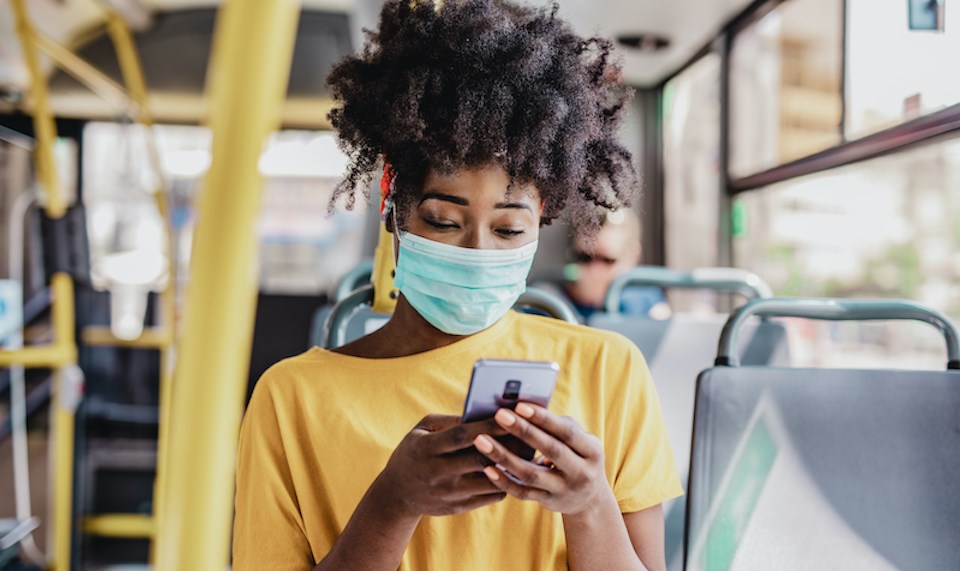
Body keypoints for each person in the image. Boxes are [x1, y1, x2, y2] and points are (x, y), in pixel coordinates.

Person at [233, 2, 682, 570]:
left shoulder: (608, 371)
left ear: (540, 218)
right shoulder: (292, 398)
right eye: (444, 221)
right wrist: (392, 504)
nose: (477, 252)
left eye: (508, 228)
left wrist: (589, 505)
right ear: (393, 209)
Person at [560, 208, 670, 322]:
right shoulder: (557, 303)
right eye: (585, 258)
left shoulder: (647, 303)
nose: (594, 270)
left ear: (632, 256)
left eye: (607, 260)